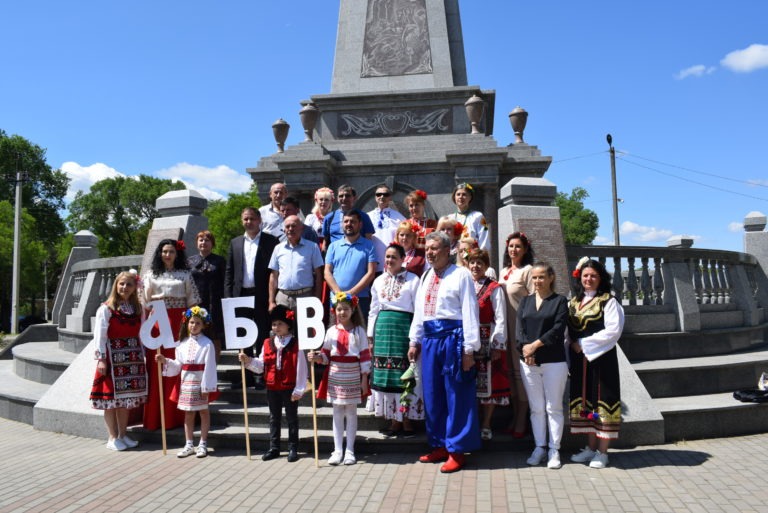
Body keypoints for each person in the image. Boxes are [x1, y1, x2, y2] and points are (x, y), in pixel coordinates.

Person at [408, 231, 481, 474]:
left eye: (435, 248)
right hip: (430, 340)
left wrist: (469, 349)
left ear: (448, 250)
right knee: (432, 395)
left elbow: (470, 311)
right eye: (427, 248)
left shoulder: (461, 275)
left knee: (456, 395)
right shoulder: (426, 275)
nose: (429, 252)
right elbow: (420, 311)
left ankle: (457, 450)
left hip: (453, 340)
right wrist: (414, 340)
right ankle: (439, 444)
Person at [568, 258, 625, 469]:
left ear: (601, 278)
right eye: (585, 275)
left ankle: (603, 452)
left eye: (593, 275)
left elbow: (613, 331)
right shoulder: (574, 302)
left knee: (603, 401)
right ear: (579, 278)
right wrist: (571, 344)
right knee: (587, 402)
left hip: (602, 361)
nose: (589, 279)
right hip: (579, 361)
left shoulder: (608, 301)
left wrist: (583, 343)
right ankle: (590, 448)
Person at [141, 239, 200, 431]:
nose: (167, 255)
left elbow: (193, 302)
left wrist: (193, 326)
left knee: (178, 364)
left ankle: (178, 416)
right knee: (158, 365)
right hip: (158, 323)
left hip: (179, 324)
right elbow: (144, 303)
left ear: (177, 254)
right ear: (159, 253)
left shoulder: (185, 274)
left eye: (171, 252)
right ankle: (156, 417)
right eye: (164, 251)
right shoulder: (151, 275)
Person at [367, 243, 423, 437]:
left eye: (394, 257)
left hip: (403, 330)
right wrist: (370, 337)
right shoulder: (378, 281)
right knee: (387, 376)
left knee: (404, 375)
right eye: (387, 257)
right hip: (383, 331)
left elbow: (418, 311)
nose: (390, 260)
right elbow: (373, 310)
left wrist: (414, 339)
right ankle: (393, 421)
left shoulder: (413, 280)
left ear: (403, 259)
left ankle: (406, 421)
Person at [516, 262, 569, 469]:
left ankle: (554, 449)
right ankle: (540, 447)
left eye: (541, 277)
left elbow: (557, 329)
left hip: (553, 361)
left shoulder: (559, 301)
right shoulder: (525, 301)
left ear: (551, 278)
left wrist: (534, 346)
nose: (537, 281)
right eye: (535, 277)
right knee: (536, 408)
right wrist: (525, 350)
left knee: (553, 407)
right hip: (528, 363)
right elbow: (520, 329)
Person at [239, 305, 307, 463]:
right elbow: (261, 364)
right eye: (274, 324)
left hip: (289, 386)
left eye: (280, 324)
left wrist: (299, 388)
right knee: (273, 417)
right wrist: (248, 361)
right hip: (272, 386)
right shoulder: (267, 343)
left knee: (291, 418)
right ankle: (274, 447)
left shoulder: (296, 344)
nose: (276, 327)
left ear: (288, 325)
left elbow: (301, 367)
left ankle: (293, 447)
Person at [308, 293, 371, 466]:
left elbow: (365, 356)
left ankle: (350, 450)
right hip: (336, 374)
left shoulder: (359, 332)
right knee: (337, 411)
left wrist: (364, 377)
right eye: (339, 309)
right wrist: (317, 357)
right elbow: (326, 355)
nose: (342, 312)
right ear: (334, 311)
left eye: (346, 309)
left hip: (353, 373)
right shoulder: (331, 331)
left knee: (351, 411)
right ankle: (337, 450)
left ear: (353, 310)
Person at [90, 269, 147, 451]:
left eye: (129, 284)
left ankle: (123, 434)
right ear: (116, 285)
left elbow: (142, 334)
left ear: (134, 287)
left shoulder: (138, 309)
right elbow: (100, 336)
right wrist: (101, 358)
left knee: (125, 400)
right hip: (113, 358)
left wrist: (143, 354)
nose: (125, 287)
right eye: (122, 284)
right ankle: (112, 437)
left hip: (133, 357)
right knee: (111, 401)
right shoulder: (106, 309)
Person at [155, 306, 218, 458]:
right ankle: (189, 443)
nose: (194, 325)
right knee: (189, 412)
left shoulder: (207, 343)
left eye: (198, 323)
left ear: (203, 325)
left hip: (200, 380)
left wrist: (206, 386)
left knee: (203, 411)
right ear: (186, 323)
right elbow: (178, 365)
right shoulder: (181, 343)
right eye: (191, 322)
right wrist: (165, 360)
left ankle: (203, 443)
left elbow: (210, 365)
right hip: (186, 381)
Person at [224, 207, 280, 362]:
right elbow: (229, 271)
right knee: (243, 335)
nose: (249, 222)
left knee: (262, 333)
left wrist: (273, 297)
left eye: (252, 219)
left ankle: (262, 369)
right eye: (245, 219)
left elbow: (275, 271)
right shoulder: (235, 243)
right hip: (240, 295)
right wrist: (228, 298)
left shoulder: (271, 242)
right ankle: (246, 371)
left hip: (262, 295)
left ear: (259, 220)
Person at [466, 249, 508, 442]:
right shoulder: (464, 284)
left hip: (487, 339)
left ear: (486, 266)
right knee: (469, 383)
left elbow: (500, 318)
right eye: (472, 262)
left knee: (488, 385)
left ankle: (486, 424)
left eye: (479, 263)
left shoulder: (494, 287)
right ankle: (471, 423)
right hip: (467, 340)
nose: (475, 266)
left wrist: (497, 345)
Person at [497, 231, 535, 438]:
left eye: (518, 246)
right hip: (504, 329)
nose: (514, 249)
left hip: (520, 328)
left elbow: (534, 302)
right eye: (511, 246)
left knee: (521, 376)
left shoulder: (528, 271)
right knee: (510, 373)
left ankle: (522, 418)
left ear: (525, 249)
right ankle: (514, 414)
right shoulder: (503, 271)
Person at [324, 210, 377, 319]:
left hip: (360, 299)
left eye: (353, 221)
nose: (349, 224)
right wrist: (339, 294)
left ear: (360, 224)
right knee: (336, 329)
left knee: (359, 329)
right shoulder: (333, 246)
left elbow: (371, 272)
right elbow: (327, 272)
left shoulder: (369, 246)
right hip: (337, 300)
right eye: (346, 221)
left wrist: (351, 293)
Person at [268, 215, 324, 311]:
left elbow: (319, 275)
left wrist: (317, 300)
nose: (290, 229)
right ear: (284, 230)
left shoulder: (312, 247)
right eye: (287, 226)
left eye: (294, 226)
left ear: (301, 229)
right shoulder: (278, 248)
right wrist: (271, 301)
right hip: (282, 298)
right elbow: (273, 276)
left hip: (305, 297)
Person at [187, 230, 226, 360]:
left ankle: (213, 365)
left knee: (215, 334)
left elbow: (225, 281)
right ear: (197, 243)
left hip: (215, 303)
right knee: (196, 332)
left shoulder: (220, 261)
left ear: (212, 243)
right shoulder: (190, 262)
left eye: (207, 240)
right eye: (201, 240)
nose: (204, 242)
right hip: (196, 303)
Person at [367, 185, 406, 274]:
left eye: (385, 194)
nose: (382, 196)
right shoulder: (367, 216)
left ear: (390, 197)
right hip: (371, 264)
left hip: (392, 264)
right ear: (375, 197)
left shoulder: (399, 217)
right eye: (379, 194)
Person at [448, 182, 490, 251]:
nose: (461, 197)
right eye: (458, 194)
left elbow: (484, 238)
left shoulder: (478, 216)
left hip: (472, 255)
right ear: (454, 197)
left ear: (470, 197)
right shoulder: (449, 218)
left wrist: (482, 254)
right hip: (453, 254)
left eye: (464, 194)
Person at [304, 187, 334, 251]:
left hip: (330, 247)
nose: (323, 202)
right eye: (321, 199)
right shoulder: (310, 217)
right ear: (316, 201)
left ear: (331, 202)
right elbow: (306, 234)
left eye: (326, 200)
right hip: (312, 247)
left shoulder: (334, 217)